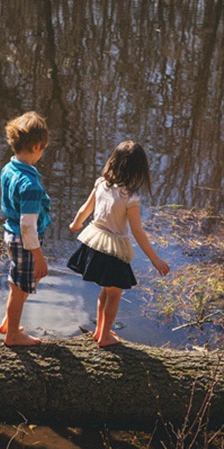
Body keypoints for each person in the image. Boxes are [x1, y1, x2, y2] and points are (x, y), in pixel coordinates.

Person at [68, 140, 170, 347]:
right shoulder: (130, 196)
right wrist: (155, 258)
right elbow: (137, 231)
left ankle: (99, 331)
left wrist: (76, 223)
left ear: (113, 162)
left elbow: (85, 209)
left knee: (106, 290)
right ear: (138, 172)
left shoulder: (100, 183)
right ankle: (104, 336)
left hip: (94, 243)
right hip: (112, 249)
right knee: (114, 294)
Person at [0, 111, 52, 346]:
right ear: (38, 146)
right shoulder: (30, 185)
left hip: (11, 233)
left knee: (20, 282)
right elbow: (28, 226)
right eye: (43, 150)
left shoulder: (9, 169)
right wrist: (38, 256)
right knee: (20, 288)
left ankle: (7, 323)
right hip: (23, 239)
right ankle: (12, 336)